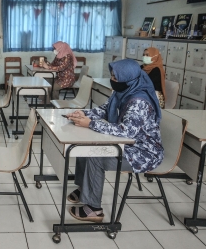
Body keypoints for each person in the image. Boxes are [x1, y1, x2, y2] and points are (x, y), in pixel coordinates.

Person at [65, 59, 164, 223]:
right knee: (85, 146)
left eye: (116, 78)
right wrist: (83, 115)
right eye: (112, 76)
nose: (113, 81)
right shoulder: (122, 91)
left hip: (142, 153)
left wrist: (90, 124)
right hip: (127, 145)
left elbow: (127, 132)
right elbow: (104, 109)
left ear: (129, 79)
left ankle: (93, 209)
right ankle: (85, 188)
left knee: (95, 157)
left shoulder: (139, 101)